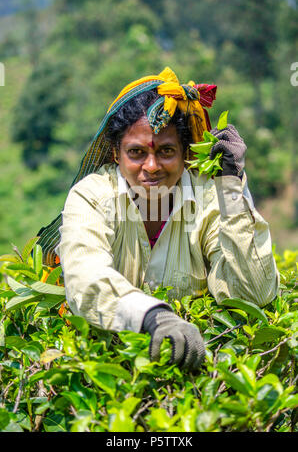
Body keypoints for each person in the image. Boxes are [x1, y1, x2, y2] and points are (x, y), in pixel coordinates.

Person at [37, 67, 279, 371]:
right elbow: (86, 277)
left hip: (192, 379)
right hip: (104, 375)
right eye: (136, 152)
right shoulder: (93, 197)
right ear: (115, 153)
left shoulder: (208, 199)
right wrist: (154, 316)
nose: (151, 166)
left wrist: (230, 185)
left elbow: (253, 294)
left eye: (166, 151)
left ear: (186, 153)